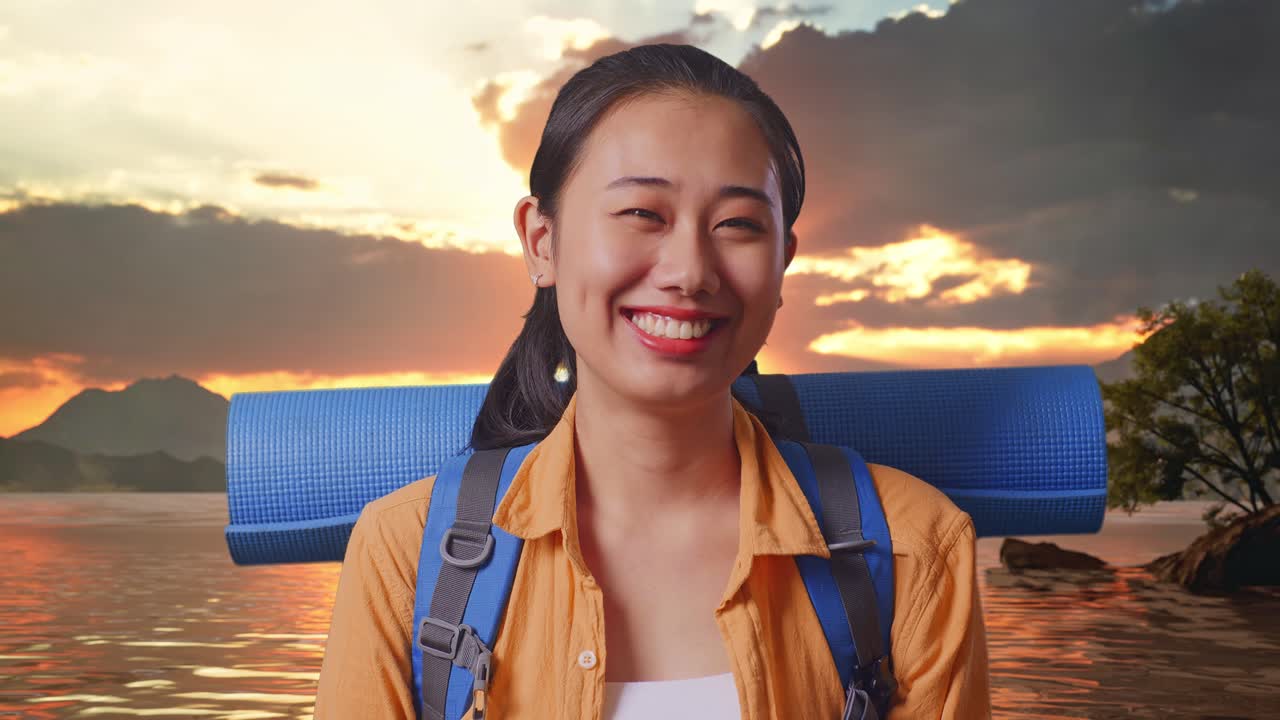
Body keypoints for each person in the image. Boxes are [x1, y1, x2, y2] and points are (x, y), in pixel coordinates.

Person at [314, 43, 991, 719]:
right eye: (643, 214)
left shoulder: (916, 548)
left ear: (783, 261)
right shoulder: (402, 555)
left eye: (737, 225)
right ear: (541, 242)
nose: (690, 270)